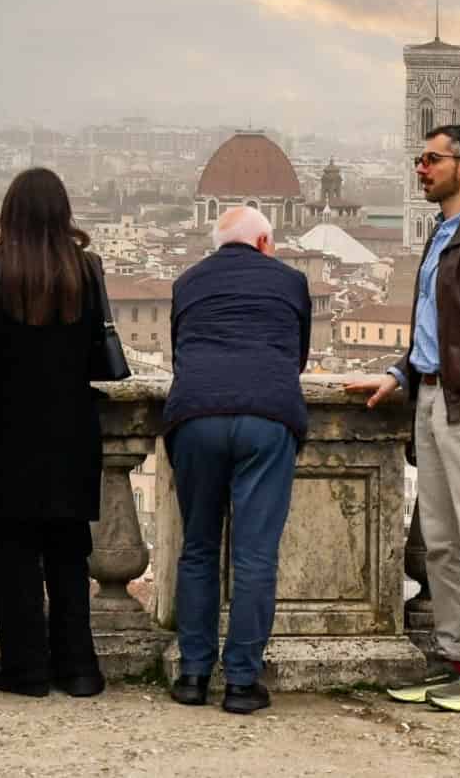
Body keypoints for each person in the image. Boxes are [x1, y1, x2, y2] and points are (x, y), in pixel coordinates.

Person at [349, 123, 460, 713]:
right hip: (430, 398)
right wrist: (401, 374)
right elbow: (437, 331)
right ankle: (458, 661)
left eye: (431, 159)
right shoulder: (443, 235)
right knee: (444, 545)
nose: (420, 169)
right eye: (419, 159)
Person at [0, 167, 108, 700]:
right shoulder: (87, 271)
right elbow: (97, 351)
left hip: (7, 421)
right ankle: (80, 669)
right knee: (70, 549)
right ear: (63, 213)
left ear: (10, 215)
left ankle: (24, 668)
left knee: (16, 549)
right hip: (71, 421)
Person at [162, 205, 310, 715]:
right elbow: (298, 357)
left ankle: (193, 675)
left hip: (196, 414)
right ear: (265, 241)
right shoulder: (290, 282)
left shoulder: (187, 282)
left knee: (199, 547)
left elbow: (181, 351)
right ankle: (242, 683)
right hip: (267, 417)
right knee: (254, 555)